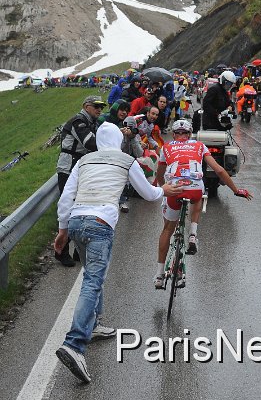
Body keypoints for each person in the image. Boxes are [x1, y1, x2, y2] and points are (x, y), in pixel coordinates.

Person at [54, 122, 181, 383]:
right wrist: (163, 190)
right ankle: (75, 344)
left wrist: (62, 230)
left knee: (91, 273)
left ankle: (94, 325)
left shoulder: (85, 160)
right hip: (100, 222)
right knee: (93, 281)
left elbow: (67, 196)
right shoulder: (125, 159)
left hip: (77, 220)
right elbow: (147, 193)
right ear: (118, 141)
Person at [154, 119, 253, 288]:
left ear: (173, 134)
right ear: (190, 134)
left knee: (167, 229)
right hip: (194, 188)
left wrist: (158, 188)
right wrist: (236, 190)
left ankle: (159, 275)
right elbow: (219, 170)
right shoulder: (199, 145)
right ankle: (193, 233)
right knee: (199, 194)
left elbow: (160, 172)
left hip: (174, 188)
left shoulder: (167, 147)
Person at [55, 95, 106, 267]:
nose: (99, 109)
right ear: (86, 106)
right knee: (69, 209)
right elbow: (91, 143)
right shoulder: (79, 121)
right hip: (68, 169)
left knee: (82, 209)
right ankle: (61, 252)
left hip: (81, 170)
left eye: (101, 106)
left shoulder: (93, 122)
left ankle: (78, 250)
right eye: (96, 106)